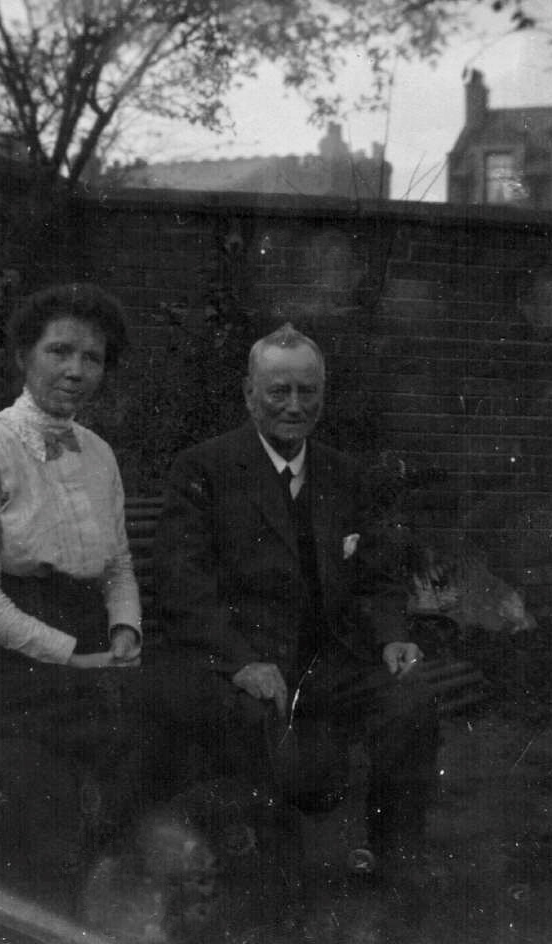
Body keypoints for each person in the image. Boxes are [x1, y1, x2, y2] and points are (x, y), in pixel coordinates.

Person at [153, 323, 440, 881]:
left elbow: (378, 576)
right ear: (249, 394)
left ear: (322, 395)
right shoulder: (205, 468)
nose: (293, 405)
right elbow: (182, 585)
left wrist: (391, 638)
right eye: (278, 391)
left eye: (307, 391)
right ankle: (270, 884)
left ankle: (398, 859)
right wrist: (241, 661)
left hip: (330, 663)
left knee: (409, 700)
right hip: (244, 661)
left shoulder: (343, 473)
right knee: (264, 733)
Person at [0, 282, 145, 876]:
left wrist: (124, 628)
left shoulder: (99, 454)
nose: (76, 370)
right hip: (8, 662)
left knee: (151, 743)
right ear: (24, 356)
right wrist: (70, 655)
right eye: (59, 351)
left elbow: (117, 566)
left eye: (92, 358)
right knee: (50, 784)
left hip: (87, 648)